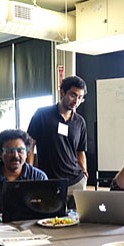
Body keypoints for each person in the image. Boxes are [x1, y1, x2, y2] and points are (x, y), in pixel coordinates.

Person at [27, 75, 88, 205]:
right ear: (62, 92)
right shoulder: (42, 114)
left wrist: (84, 172)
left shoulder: (80, 122)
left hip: (76, 182)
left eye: (80, 97)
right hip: (48, 181)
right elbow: (30, 145)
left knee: (77, 223)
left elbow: (80, 151)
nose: (76, 101)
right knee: (48, 221)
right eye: (73, 95)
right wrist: (29, 171)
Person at [0, 129, 47, 214]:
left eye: (20, 150)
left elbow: (46, 212)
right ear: (0, 154)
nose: (15, 155)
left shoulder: (39, 178)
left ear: (27, 153)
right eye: (9, 151)